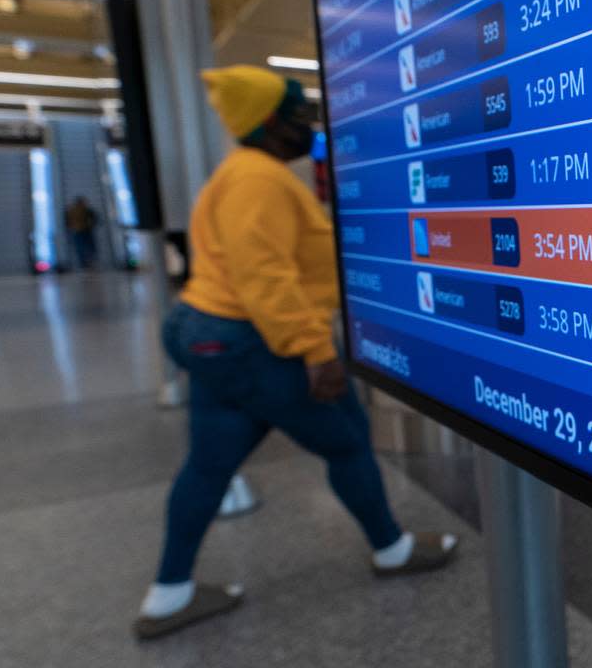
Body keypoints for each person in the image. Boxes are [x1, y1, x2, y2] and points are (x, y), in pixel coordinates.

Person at [134, 65, 458, 640]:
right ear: (267, 122)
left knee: (209, 465)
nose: (308, 122)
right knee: (349, 442)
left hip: (212, 335)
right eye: (298, 112)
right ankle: (392, 548)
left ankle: (168, 594)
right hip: (252, 339)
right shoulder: (259, 181)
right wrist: (314, 351)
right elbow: (266, 278)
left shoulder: (238, 174)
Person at [65, 196, 98, 269]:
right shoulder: (82, 210)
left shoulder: (74, 210)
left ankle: (86, 263)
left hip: (81, 230)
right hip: (81, 231)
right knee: (84, 247)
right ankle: (86, 263)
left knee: (84, 247)